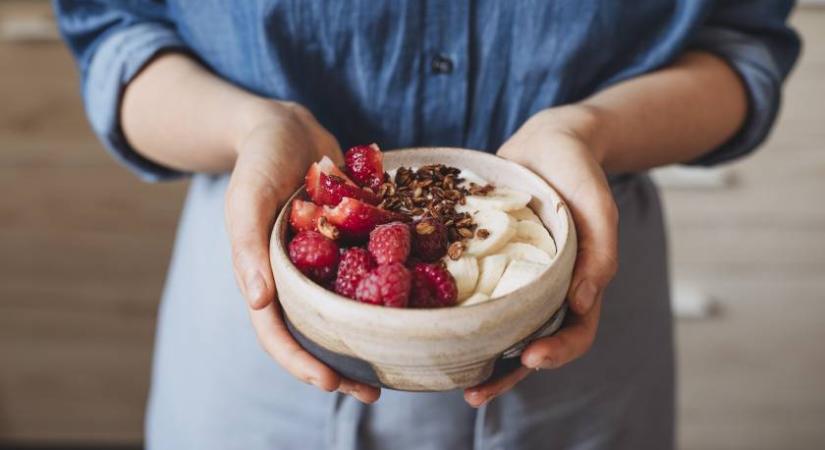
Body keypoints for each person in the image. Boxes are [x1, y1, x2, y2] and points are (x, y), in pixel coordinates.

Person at [54, 1, 799, 449]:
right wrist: (257, 127)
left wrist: (591, 130)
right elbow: (117, 31)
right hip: (267, 314)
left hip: (576, 306)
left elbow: (740, 41)